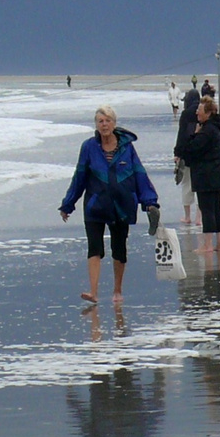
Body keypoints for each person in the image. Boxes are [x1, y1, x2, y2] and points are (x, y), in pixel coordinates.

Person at [59, 106, 159, 305]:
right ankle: (93, 292)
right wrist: (68, 204)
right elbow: (79, 177)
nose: (104, 124)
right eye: (100, 121)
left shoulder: (126, 148)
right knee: (94, 248)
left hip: (121, 205)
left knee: (119, 248)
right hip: (95, 205)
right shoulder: (89, 147)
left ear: (114, 123)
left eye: (107, 120)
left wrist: (149, 202)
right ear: (96, 125)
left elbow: (140, 174)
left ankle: (117, 290)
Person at [176, 95, 220, 253]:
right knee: (216, 208)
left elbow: (189, 150)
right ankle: (219, 244)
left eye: (199, 111)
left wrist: (195, 134)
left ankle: (207, 245)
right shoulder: (214, 128)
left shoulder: (207, 131)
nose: (197, 114)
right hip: (216, 174)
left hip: (206, 176)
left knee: (207, 209)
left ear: (208, 113)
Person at [176, 83, 204, 226]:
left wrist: (177, 153)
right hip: (201, 155)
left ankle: (187, 216)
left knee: (186, 184)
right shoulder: (204, 112)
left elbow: (181, 135)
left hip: (187, 154)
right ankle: (199, 218)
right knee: (200, 185)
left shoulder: (186, 114)